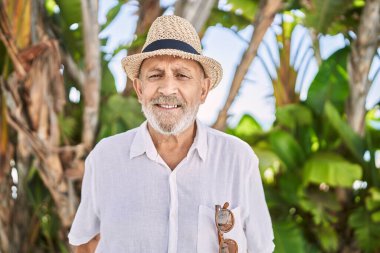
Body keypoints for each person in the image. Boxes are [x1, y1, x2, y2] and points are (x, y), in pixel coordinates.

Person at [68, 15, 274, 253]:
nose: (167, 89)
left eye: (182, 75)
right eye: (155, 75)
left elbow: (260, 247)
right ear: (139, 89)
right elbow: (83, 241)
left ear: (203, 89)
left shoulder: (238, 159)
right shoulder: (105, 157)